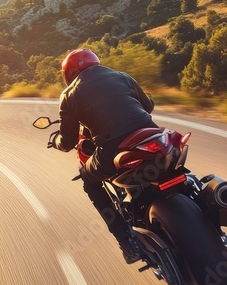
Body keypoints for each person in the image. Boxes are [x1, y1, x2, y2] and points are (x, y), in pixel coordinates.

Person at [51, 48, 159, 264]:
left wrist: (56, 142)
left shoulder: (69, 94)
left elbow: (69, 140)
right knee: (171, 158)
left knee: (89, 182)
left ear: (68, 74)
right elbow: (148, 106)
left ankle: (127, 242)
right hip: (151, 134)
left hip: (113, 149)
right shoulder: (121, 76)